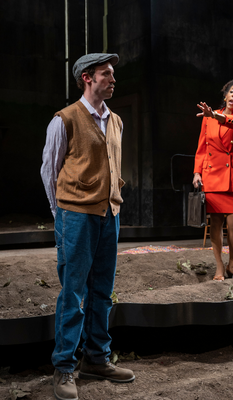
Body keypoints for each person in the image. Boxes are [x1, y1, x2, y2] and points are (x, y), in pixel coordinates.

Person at [41, 53, 135, 400]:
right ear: (87, 78)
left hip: (109, 214)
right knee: (74, 292)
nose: (112, 80)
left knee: (101, 291)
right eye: (105, 74)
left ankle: (96, 358)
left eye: (112, 74)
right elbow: (49, 170)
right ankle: (64, 366)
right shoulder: (64, 119)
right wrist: (61, 213)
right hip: (76, 215)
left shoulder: (116, 121)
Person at [193, 79, 233, 281]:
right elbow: (202, 148)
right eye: (231, 91)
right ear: (225, 95)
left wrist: (217, 116)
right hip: (211, 174)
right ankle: (219, 267)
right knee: (216, 224)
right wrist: (197, 173)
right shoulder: (208, 118)